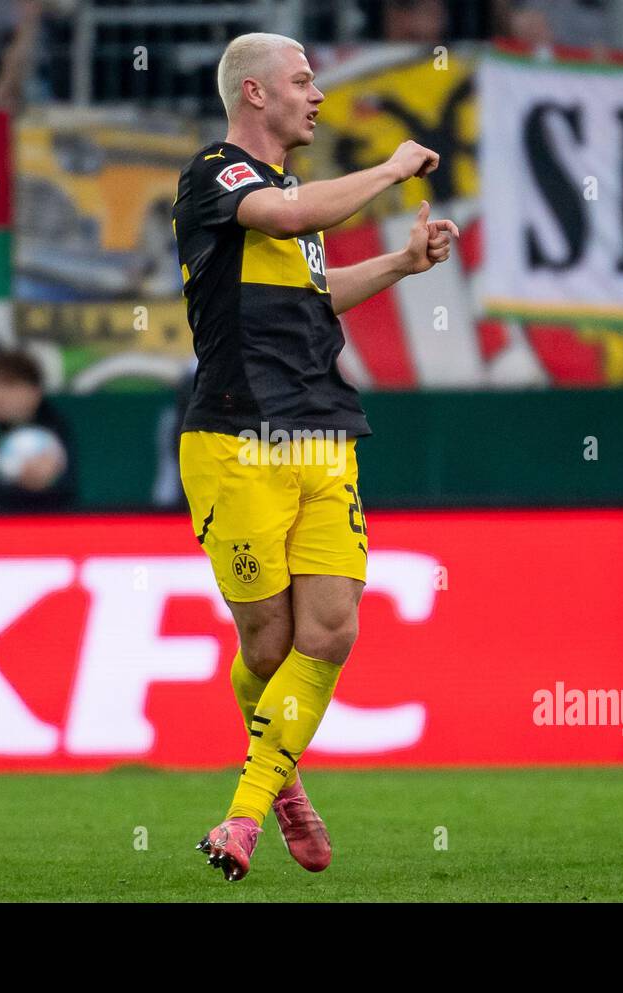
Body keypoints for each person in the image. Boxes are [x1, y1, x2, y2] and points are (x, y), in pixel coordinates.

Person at [173, 32, 457, 882]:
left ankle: (246, 816)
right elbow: (293, 216)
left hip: (322, 431)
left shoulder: (289, 198)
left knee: (329, 632)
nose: (318, 94)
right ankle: (287, 776)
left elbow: (316, 293)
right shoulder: (216, 176)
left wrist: (402, 264)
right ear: (254, 94)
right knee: (267, 651)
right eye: (303, 81)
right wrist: (393, 169)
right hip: (236, 438)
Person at [0, 349, 78, 513]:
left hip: (47, 520)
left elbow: (67, 485)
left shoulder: (53, 425)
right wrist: (24, 483)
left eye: (8, 385)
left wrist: (48, 479)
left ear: (34, 393)